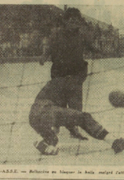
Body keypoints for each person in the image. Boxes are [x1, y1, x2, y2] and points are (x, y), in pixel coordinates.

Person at [29, 79, 124, 155]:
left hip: (34, 115)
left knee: (54, 139)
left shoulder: (54, 82)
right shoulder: (70, 83)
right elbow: (75, 114)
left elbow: (62, 112)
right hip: (48, 111)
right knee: (84, 117)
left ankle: (43, 141)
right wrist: (74, 130)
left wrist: (69, 128)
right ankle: (114, 142)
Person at [39, 8, 97, 140]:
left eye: (76, 20)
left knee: (76, 104)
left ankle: (74, 130)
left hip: (76, 73)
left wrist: (97, 51)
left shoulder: (81, 34)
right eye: (71, 20)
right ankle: (55, 127)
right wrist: (44, 56)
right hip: (59, 73)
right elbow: (49, 48)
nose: (74, 23)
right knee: (59, 102)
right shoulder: (57, 34)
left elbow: (90, 46)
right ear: (65, 21)